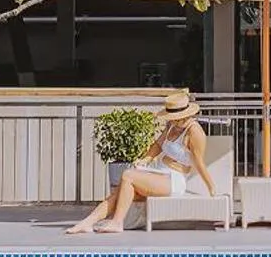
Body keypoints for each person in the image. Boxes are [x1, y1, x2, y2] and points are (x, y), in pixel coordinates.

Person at [66, 91, 214, 234]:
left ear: (186, 114)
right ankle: (87, 222)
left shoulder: (195, 132)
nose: (174, 120)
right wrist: (145, 159)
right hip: (159, 173)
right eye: (172, 117)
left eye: (176, 118)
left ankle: (117, 222)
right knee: (119, 192)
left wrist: (211, 188)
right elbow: (157, 145)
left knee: (128, 175)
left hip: (174, 180)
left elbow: (199, 162)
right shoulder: (171, 126)